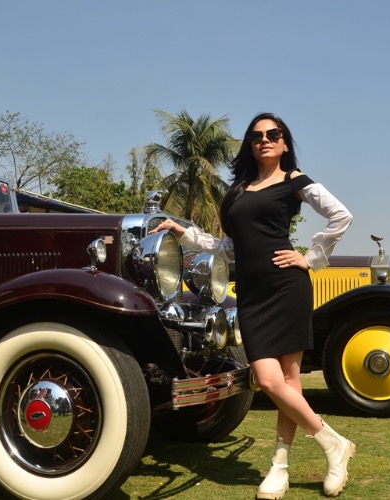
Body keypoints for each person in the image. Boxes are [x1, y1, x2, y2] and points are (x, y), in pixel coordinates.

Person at [150, 112, 354, 498]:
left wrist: (309, 257)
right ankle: (333, 443)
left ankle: (279, 466)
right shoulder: (238, 191)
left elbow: (341, 216)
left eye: (273, 134)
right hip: (252, 294)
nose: (265, 140)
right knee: (269, 379)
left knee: (287, 381)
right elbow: (229, 247)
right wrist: (184, 231)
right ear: (250, 144)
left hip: (287, 287)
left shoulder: (295, 180)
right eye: (257, 135)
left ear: (284, 143)